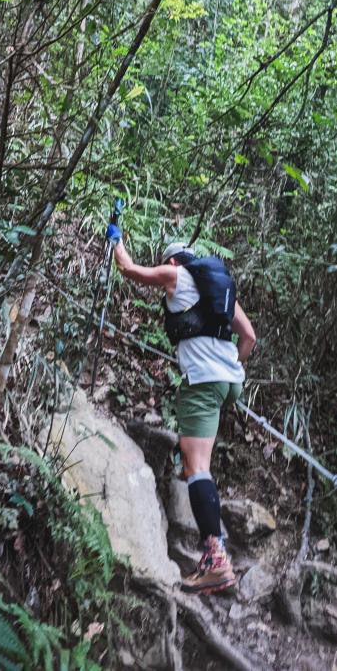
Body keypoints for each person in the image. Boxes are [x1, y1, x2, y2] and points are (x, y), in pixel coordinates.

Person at [106, 224, 256, 594]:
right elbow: (249, 337)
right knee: (194, 457)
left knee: (196, 468)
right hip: (228, 381)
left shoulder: (176, 274)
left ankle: (215, 559)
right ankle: (213, 551)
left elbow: (127, 269)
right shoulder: (217, 291)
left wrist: (116, 238)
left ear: (173, 260)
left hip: (203, 382)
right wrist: (228, 370)